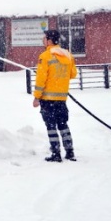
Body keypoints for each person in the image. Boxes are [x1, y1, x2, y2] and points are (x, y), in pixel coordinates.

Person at [32, 30, 78, 162]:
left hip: (48, 99)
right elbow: (73, 74)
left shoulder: (45, 56)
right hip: (62, 98)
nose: (43, 40)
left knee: (51, 126)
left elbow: (41, 79)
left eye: (44, 38)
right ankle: (70, 152)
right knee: (63, 124)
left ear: (49, 40)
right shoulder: (68, 55)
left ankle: (56, 153)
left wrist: (37, 97)